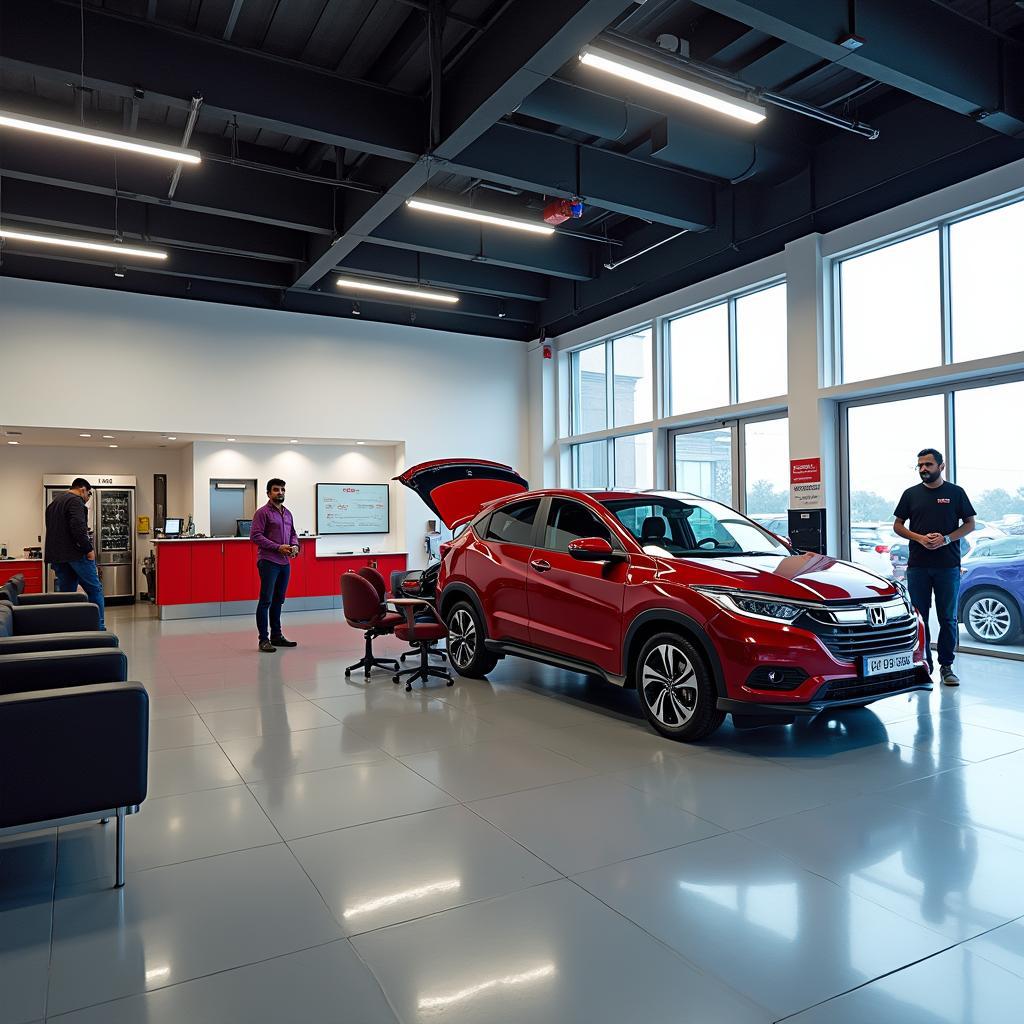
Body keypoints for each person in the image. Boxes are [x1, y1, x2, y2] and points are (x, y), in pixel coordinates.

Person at [893, 448, 975, 686]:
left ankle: (946, 667)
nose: (923, 469)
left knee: (948, 618)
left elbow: (970, 524)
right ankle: (922, 665)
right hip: (918, 565)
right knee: (920, 617)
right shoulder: (910, 494)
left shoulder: (955, 493)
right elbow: (898, 525)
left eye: (928, 464)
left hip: (948, 565)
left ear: (941, 466)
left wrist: (947, 538)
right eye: (919, 465)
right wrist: (918, 538)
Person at [44, 477, 105, 630]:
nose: (87, 498)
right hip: (76, 555)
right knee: (94, 589)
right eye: (89, 494)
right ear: (83, 489)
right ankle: (99, 627)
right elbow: (78, 527)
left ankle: (68, 627)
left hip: (58, 556)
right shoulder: (75, 501)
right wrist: (88, 549)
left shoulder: (53, 504)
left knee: (67, 594)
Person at [251, 477, 300, 652]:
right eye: (276, 489)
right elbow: (255, 536)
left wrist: (295, 545)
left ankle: (277, 636)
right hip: (268, 561)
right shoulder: (262, 513)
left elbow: (293, 533)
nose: (280, 492)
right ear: (269, 493)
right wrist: (278, 547)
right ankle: (263, 639)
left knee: (278, 601)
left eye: (282, 490)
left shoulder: (287, 513)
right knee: (266, 600)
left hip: (285, 563)